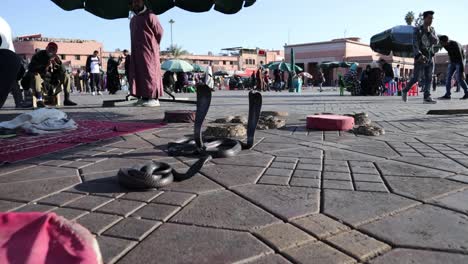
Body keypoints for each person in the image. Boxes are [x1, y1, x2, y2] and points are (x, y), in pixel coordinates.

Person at [129, 0, 164, 107]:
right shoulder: (133, 19)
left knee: (150, 72)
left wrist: (152, 45)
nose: (135, 3)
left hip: (149, 51)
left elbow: (160, 32)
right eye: (133, 2)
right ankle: (143, 97)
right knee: (139, 73)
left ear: (143, 2)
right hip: (136, 51)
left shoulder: (151, 15)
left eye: (138, 1)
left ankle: (153, 98)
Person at [22, 42, 77, 107]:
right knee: (36, 75)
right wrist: (45, 66)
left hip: (52, 81)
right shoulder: (38, 55)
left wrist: (59, 63)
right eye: (49, 48)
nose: (51, 50)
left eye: (53, 49)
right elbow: (31, 67)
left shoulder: (56, 58)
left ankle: (67, 99)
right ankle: (39, 100)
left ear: (56, 51)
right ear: (46, 48)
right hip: (41, 80)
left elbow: (63, 71)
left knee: (66, 75)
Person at [402, 11, 438, 104]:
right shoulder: (418, 30)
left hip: (430, 57)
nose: (431, 20)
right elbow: (415, 43)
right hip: (420, 58)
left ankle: (427, 97)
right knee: (416, 78)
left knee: (429, 77)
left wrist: (429, 33)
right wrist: (418, 55)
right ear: (424, 18)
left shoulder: (432, 30)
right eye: (429, 18)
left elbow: (436, 42)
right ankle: (405, 90)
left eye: (432, 18)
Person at [438, 35, 468, 100]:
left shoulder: (455, 45)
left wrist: (462, 71)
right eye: (441, 43)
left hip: (460, 60)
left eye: (442, 43)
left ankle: (467, 93)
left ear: (446, 41)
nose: (442, 45)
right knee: (448, 77)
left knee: (459, 78)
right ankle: (447, 95)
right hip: (452, 61)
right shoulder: (445, 45)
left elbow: (461, 58)